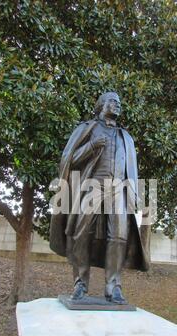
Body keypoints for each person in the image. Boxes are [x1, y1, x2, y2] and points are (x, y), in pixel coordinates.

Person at [50, 92, 149, 305]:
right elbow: (69, 161)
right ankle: (80, 284)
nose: (118, 105)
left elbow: (131, 170)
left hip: (118, 191)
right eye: (113, 101)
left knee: (119, 236)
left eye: (120, 102)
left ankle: (113, 286)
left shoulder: (126, 137)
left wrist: (134, 194)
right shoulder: (87, 129)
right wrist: (92, 146)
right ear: (102, 105)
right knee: (81, 233)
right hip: (90, 186)